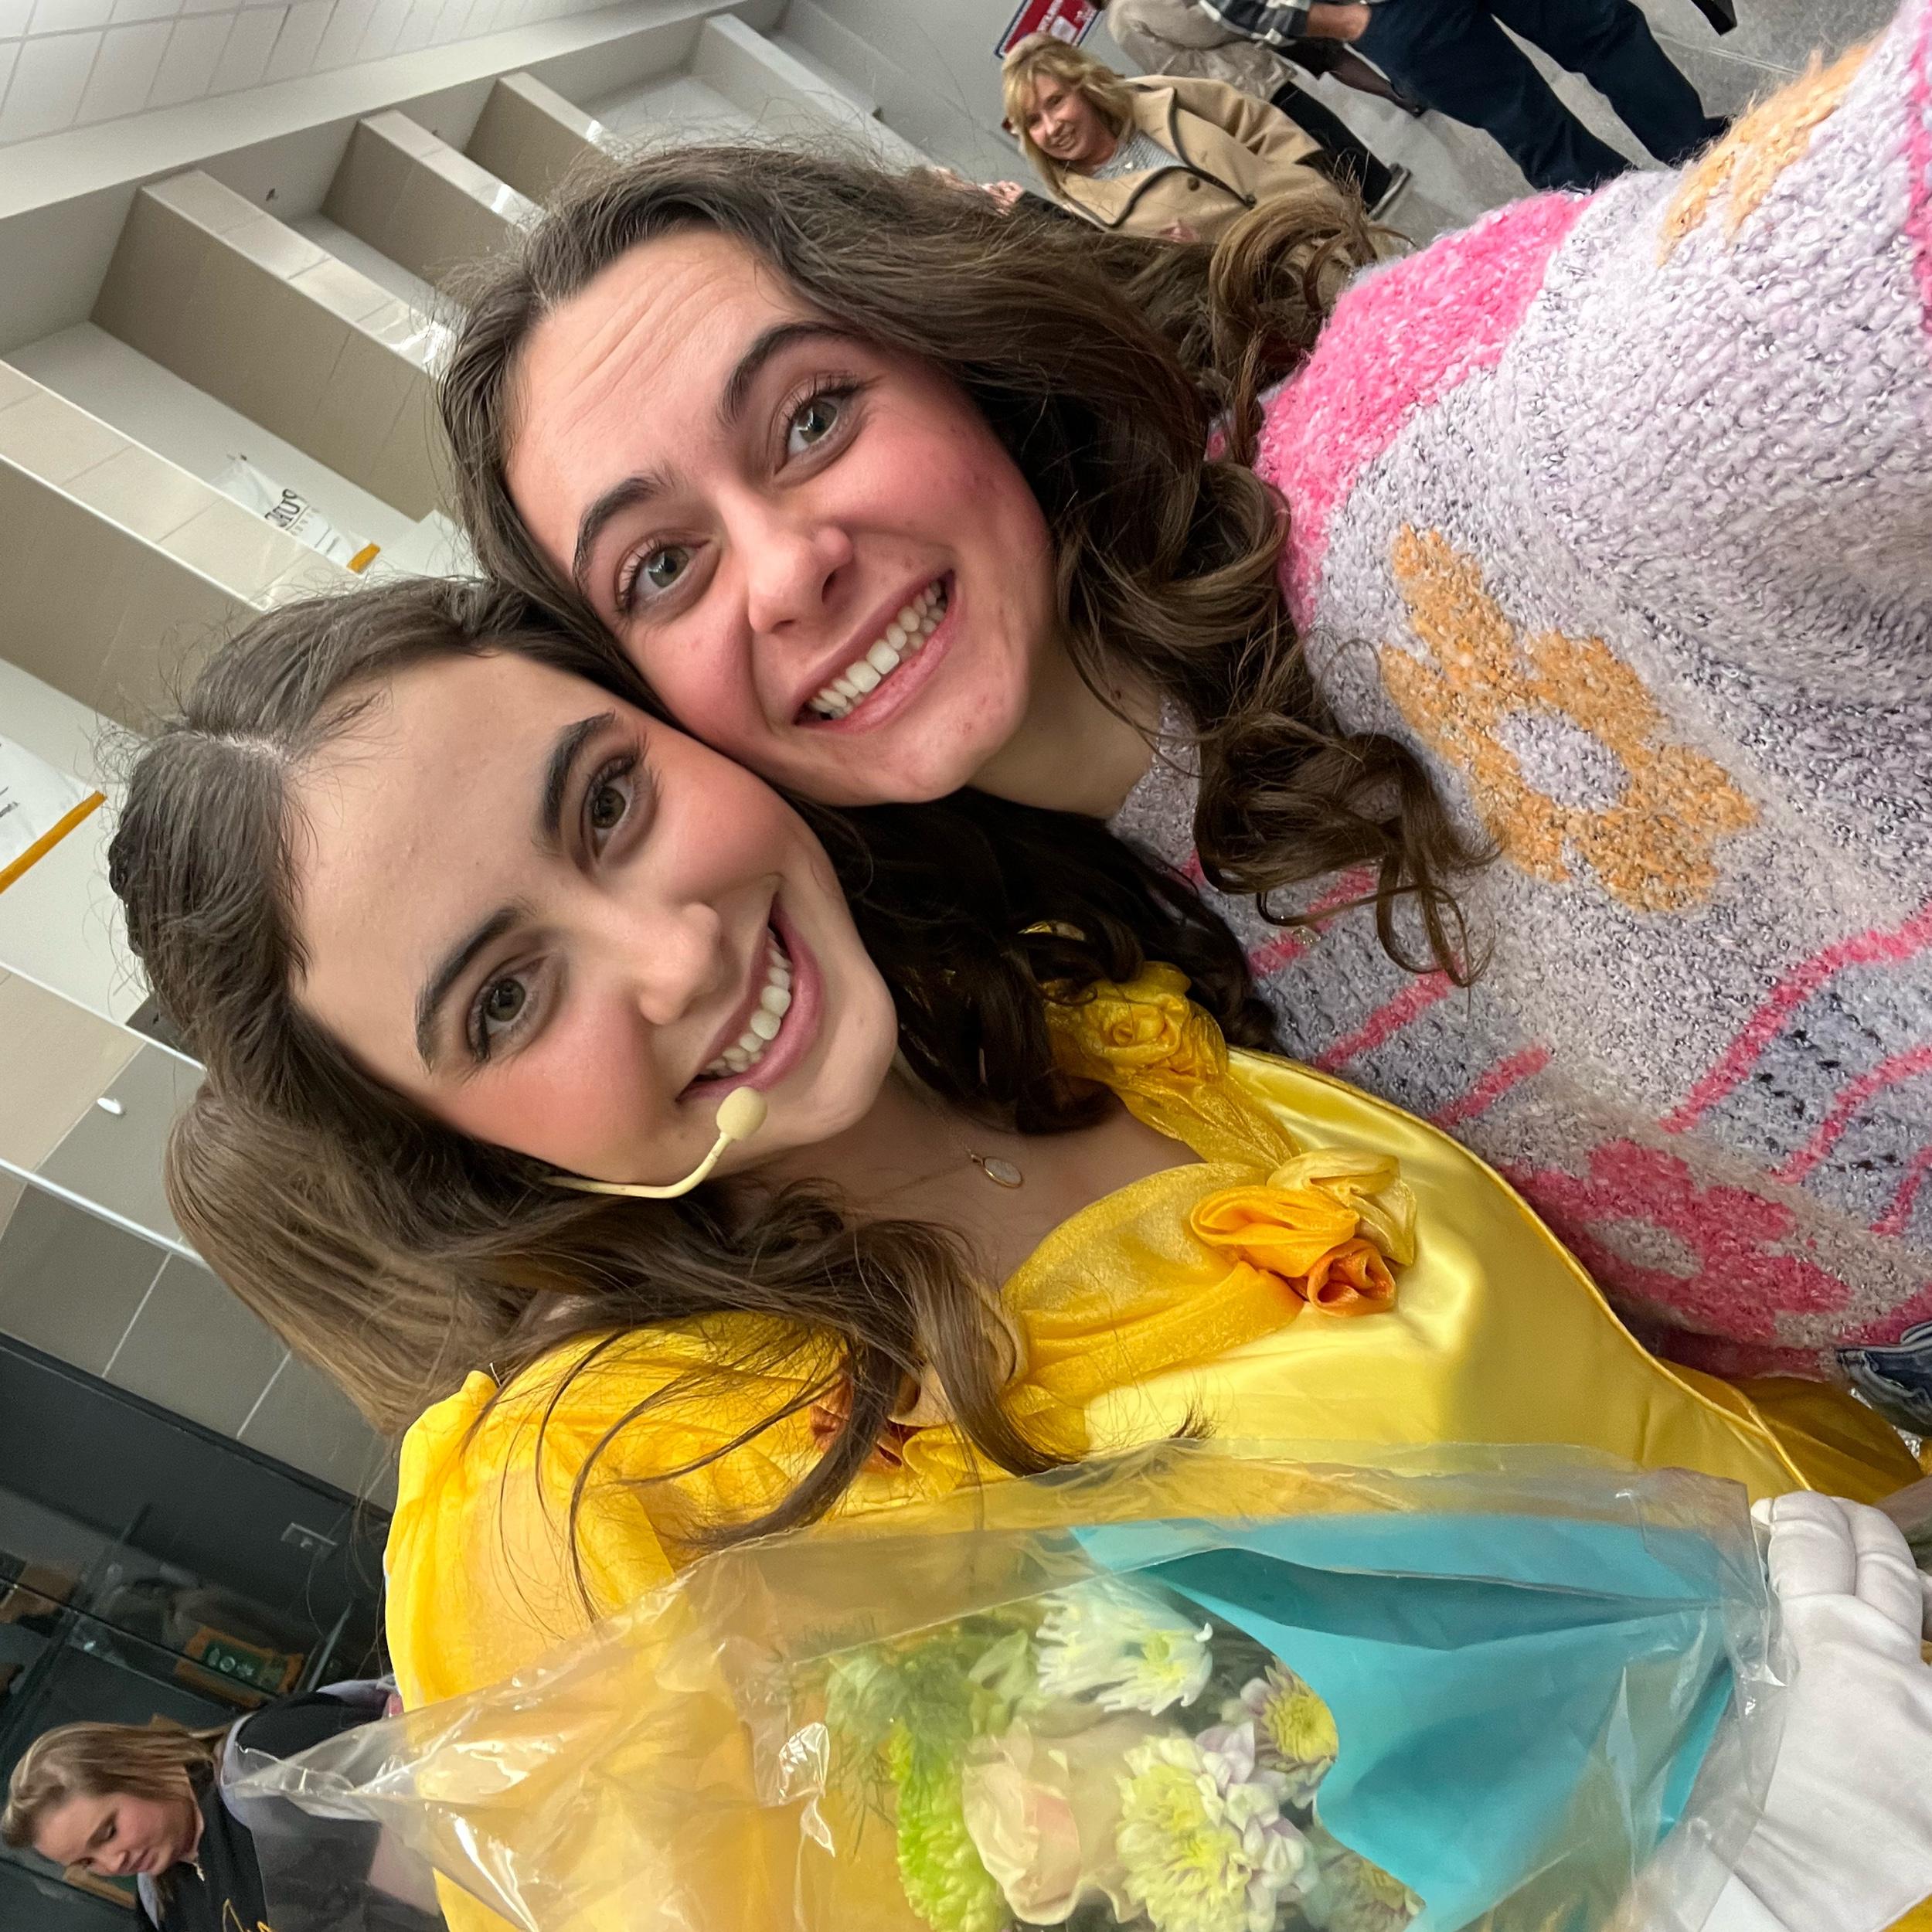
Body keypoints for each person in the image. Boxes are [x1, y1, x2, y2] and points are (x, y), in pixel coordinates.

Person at [104, 585, 1932, 1932]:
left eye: (608, 805)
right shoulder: (604, 1495)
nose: (670, 952)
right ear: (440, 1139)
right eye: (505, 997)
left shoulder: (1092, 1018)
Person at [431, 0, 1932, 1420]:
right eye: (662, 566)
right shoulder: (1070, 988)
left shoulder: (1445, 459)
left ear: (955, 354)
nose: (783, 570)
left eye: (812, 416)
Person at [1, 1691, 439, 1932]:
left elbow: (433, 1783)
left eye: (108, 1832)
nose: (113, 1864)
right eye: (88, 1862)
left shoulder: (266, 1754)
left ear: (134, 1767)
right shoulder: (163, 1912)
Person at [1195, 0, 1726, 192]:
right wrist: (1348, 22)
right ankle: (1641, 220)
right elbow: (1233, 6)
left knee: (1605, 29)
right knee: (1526, 121)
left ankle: (1705, 151)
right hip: (1392, 12)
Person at [999, 34, 1345, 240]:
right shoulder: (1082, 211)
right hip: (1287, 302)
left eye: (1056, 102)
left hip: (1330, 224)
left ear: (1085, 88)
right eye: (1033, 121)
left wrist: (1308, 176)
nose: (1052, 127)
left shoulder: (1151, 95)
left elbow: (1248, 118)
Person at [1097, 0, 1414, 214]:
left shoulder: (1115, 23)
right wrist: (1242, 19)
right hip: (1237, 74)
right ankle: (1374, 185)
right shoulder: (1136, 3)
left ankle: (1356, 195)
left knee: (1297, 140)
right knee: (1315, 125)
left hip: (1220, 85)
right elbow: (1201, 27)